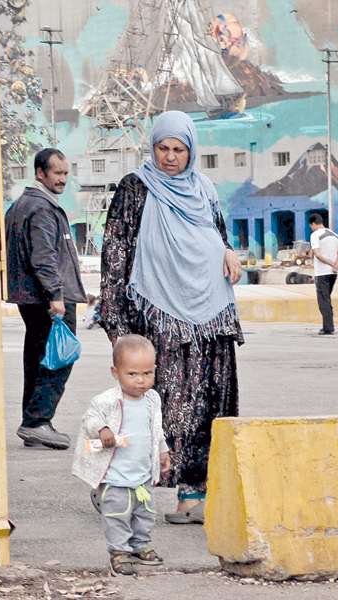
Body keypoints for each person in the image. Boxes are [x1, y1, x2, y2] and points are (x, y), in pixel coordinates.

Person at [99, 110, 243, 525]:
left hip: (210, 314)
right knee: (155, 407)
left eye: (179, 149)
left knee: (209, 407)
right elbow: (116, 253)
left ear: (191, 150)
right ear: (153, 146)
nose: (170, 157)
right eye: (163, 148)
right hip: (159, 315)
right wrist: (117, 324)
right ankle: (117, 484)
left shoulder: (204, 188)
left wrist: (228, 251)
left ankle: (192, 498)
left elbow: (217, 234)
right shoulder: (136, 188)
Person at [5, 148, 87, 449]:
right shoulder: (41, 208)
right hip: (49, 298)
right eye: (57, 173)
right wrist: (56, 295)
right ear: (40, 173)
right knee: (59, 359)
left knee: (38, 360)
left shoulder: (21, 205)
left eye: (65, 173)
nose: (63, 179)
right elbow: (44, 257)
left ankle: (35, 422)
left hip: (30, 297)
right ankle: (37, 421)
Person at [72, 335, 171, 576]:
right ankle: (119, 552)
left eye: (148, 373)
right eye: (133, 374)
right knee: (117, 515)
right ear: (116, 373)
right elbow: (90, 418)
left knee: (145, 514)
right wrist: (102, 429)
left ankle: (141, 546)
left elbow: (155, 428)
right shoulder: (107, 401)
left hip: (143, 475)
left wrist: (163, 449)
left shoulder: (152, 399)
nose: (141, 381)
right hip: (115, 476)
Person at [309, 214, 338, 335]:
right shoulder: (334, 235)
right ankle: (328, 325)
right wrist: (336, 264)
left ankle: (328, 327)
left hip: (321, 272)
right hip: (333, 273)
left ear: (313, 224)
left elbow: (317, 254)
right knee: (327, 299)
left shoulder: (315, 235)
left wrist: (330, 263)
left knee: (323, 300)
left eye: (311, 226)